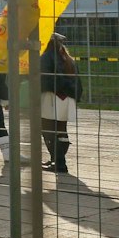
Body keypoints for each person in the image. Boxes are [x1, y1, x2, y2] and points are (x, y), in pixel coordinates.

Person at [39, 32, 80, 173]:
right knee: (61, 131)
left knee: (48, 130)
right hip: (67, 99)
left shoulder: (45, 57)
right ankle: (57, 159)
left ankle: (59, 163)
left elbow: (44, 80)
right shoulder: (68, 59)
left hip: (51, 97)